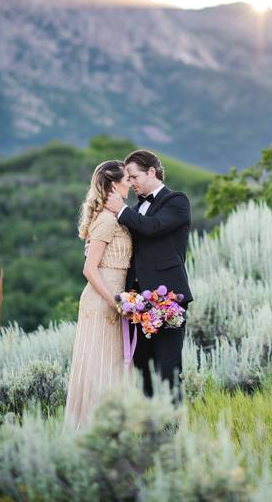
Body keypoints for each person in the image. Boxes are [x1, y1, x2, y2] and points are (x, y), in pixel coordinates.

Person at [104, 149, 193, 401]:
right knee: (143, 368)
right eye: (128, 179)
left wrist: (121, 211)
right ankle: (149, 430)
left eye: (133, 177)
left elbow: (153, 228)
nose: (130, 183)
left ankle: (171, 433)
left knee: (168, 368)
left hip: (168, 299)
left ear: (151, 172)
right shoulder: (135, 208)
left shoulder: (177, 201)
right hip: (137, 303)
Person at [63, 160, 133, 431]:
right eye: (127, 179)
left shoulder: (117, 216)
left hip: (118, 299)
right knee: (100, 365)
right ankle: (94, 429)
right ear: (115, 185)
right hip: (104, 301)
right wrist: (114, 300)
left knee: (116, 364)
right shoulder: (105, 220)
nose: (130, 183)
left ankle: (113, 426)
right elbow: (89, 269)